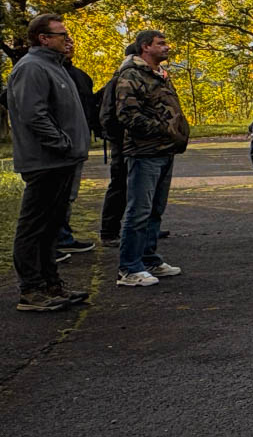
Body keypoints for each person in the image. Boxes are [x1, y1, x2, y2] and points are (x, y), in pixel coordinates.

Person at [8, 14, 92, 312]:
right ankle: (31, 291)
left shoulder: (53, 67)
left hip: (63, 160)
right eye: (61, 34)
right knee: (34, 226)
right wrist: (62, 144)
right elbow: (34, 115)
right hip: (45, 161)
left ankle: (51, 283)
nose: (66, 38)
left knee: (51, 225)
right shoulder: (31, 68)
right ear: (43, 38)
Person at [113, 30, 190, 287]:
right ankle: (130, 267)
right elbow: (127, 115)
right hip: (144, 152)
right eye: (161, 43)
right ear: (145, 47)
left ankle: (148, 258)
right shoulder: (131, 75)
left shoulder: (159, 75)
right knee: (139, 211)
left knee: (155, 210)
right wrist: (162, 129)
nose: (167, 47)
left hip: (164, 150)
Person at [55, 47, 98, 255]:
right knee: (52, 195)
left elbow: (89, 105)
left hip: (78, 143)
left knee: (69, 194)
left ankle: (63, 237)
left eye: (70, 39)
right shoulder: (40, 71)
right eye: (63, 38)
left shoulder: (81, 76)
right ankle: (52, 241)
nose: (68, 44)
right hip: (56, 146)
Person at [98, 40, 140, 247]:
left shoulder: (120, 76)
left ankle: (137, 228)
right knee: (120, 183)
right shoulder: (124, 78)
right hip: (123, 140)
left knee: (132, 185)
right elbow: (112, 114)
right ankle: (109, 231)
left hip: (123, 139)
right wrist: (118, 138)